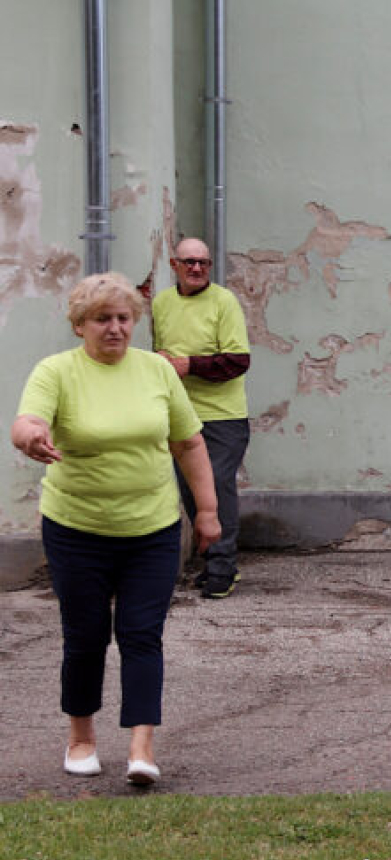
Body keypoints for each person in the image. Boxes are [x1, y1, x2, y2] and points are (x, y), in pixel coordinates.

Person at [11, 272, 221, 787]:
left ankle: (141, 748)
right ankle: (81, 738)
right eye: (103, 319)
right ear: (80, 324)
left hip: (150, 529)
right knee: (84, 637)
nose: (115, 328)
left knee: (141, 635)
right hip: (76, 528)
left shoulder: (155, 371)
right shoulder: (57, 371)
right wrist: (30, 436)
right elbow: (26, 421)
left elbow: (189, 443)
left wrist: (208, 512)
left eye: (124, 318)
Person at [152, 237, 251, 600]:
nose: (196, 269)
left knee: (218, 488)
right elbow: (158, 356)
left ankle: (223, 569)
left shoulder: (224, 302)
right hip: (178, 415)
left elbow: (237, 361)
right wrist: (160, 359)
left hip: (223, 418)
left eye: (204, 263)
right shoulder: (162, 303)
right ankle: (212, 563)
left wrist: (188, 365)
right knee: (192, 492)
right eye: (189, 262)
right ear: (174, 265)